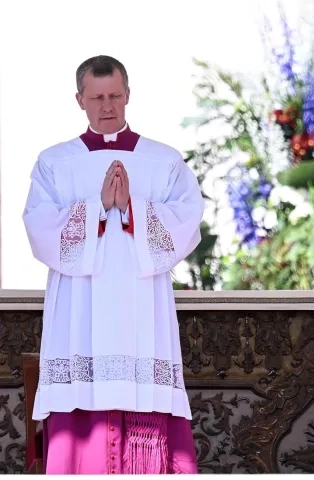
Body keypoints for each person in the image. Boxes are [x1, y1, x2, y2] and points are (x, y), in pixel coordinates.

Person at [22, 55, 204, 474]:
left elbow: (186, 221)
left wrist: (134, 209)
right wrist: (99, 208)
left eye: (115, 96)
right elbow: (39, 227)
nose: (107, 106)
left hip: (143, 305)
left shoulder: (163, 160)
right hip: (79, 310)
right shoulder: (55, 162)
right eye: (97, 97)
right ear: (80, 100)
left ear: (128, 95)